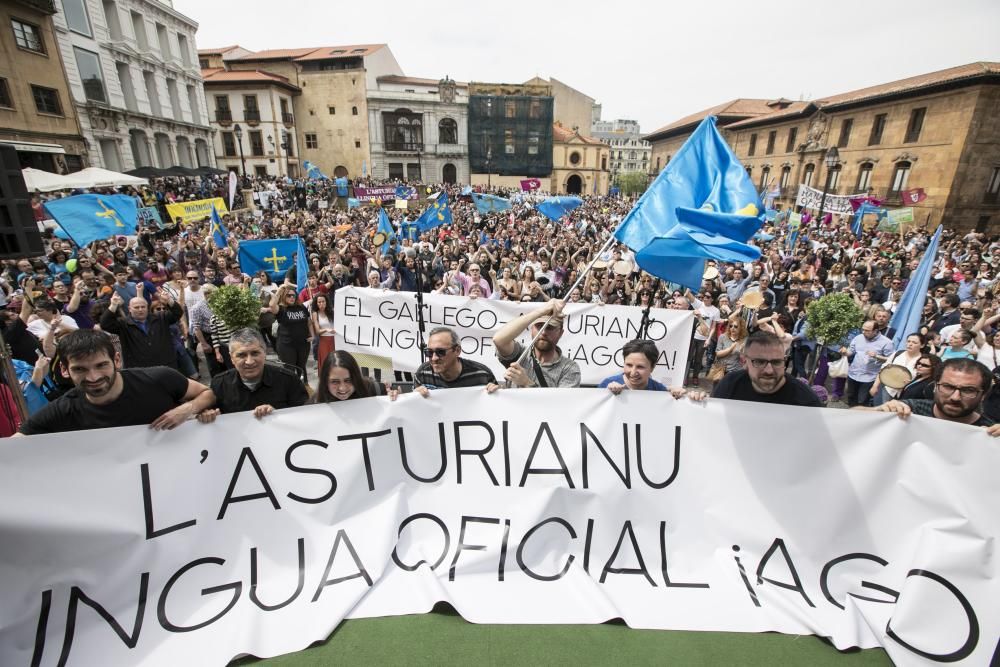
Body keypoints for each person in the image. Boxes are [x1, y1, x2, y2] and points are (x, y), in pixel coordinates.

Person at [16, 329, 214, 435]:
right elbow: (15, 444)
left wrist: (187, 409)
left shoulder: (159, 377)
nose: (93, 377)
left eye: (101, 365)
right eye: (80, 369)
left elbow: (208, 393)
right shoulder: (63, 409)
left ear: (117, 360)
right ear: (64, 370)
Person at [197, 328, 309, 421]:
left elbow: (306, 416)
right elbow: (209, 415)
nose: (249, 361)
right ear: (231, 358)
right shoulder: (219, 384)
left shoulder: (289, 380)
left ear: (264, 353)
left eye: (255, 353)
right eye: (241, 355)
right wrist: (207, 415)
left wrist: (277, 415)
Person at [863, 358, 996, 429]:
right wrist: (878, 411)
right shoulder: (911, 410)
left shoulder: (989, 431)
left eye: (968, 390)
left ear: (983, 395)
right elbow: (851, 418)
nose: (955, 397)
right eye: (948, 387)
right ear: (934, 387)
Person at [711, 330, 822, 407]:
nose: (769, 370)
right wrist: (698, 404)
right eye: (759, 362)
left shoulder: (806, 401)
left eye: (776, 362)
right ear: (744, 361)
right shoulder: (730, 384)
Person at [492, 300, 581, 388]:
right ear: (532, 329)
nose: (543, 332)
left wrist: (527, 383)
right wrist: (539, 311)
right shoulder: (521, 354)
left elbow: (561, 402)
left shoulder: (569, 368)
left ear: (560, 333)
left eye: (549, 328)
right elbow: (499, 339)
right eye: (539, 326)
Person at [100, 289, 183, 369]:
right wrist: (113, 305)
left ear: (147, 307)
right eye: (136, 307)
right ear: (129, 309)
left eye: (143, 307)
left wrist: (169, 300)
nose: (140, 310)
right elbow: (105, 324)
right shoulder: (123, 324)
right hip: (139, 371)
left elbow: (178, 312)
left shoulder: (161, 318)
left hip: (166, 366)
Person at [414, 326, 499, 396]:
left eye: (440, 352)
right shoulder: (423, 373)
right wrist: (414, 397)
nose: (434, 358)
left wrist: (497, 393)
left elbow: (497, 406)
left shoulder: (482, 374)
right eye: (429, 352)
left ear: (457, 351)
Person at [310, 350, 400, 403]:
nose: (342, 388)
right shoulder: (314, 405)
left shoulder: (377, 390)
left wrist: (396, 399)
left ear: (356, 376)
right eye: (335, 382)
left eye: (348, 380)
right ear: (325, 381)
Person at [841, 320, 894, 407]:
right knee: (851, 398)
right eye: (863, 329)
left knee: (862, 401)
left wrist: (877, 356)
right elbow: (851, 351)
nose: (864, 332)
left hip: (869, 377)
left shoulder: (887, 343)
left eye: (867, 331)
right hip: (854, 373)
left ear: (875, 331)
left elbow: (891, 360)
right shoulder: (858, 338)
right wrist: (845, 352)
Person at [269, 283, 313, 383]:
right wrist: (280, 289)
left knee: (302, 367)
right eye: (289, 295)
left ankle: (305, 388)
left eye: (294, 295)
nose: (292, 297)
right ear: (284, 296)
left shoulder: (301, 307)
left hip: (303, 344)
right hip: (286, 345)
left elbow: (309, 322)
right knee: (289, 369)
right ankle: (291, 391)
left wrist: (312, 335)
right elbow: (272, 305)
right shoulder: (281, 309)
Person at [599, 339, 668, 393]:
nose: (633, 372)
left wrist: (676, 396)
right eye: (629, 365)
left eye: (640, 367)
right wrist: (607, 393)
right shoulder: (606, 384)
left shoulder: (660, 390)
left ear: (652, 367)